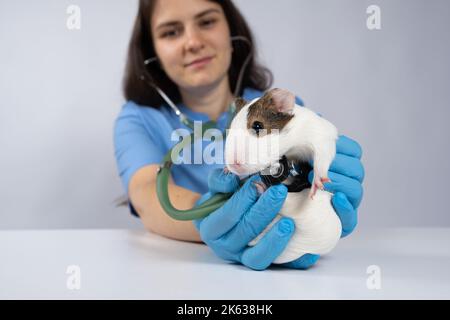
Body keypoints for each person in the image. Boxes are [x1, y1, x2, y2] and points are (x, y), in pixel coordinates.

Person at [114, 0, 364, 270]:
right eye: (171, 32)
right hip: (181, 274)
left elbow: (309, 172)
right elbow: (146, 194)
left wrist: (327, 187)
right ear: (152, 51)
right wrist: (209, 215)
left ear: (231, 32)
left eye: (207, 22)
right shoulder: (139, 119)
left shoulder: (274, 109)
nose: (193, 41)